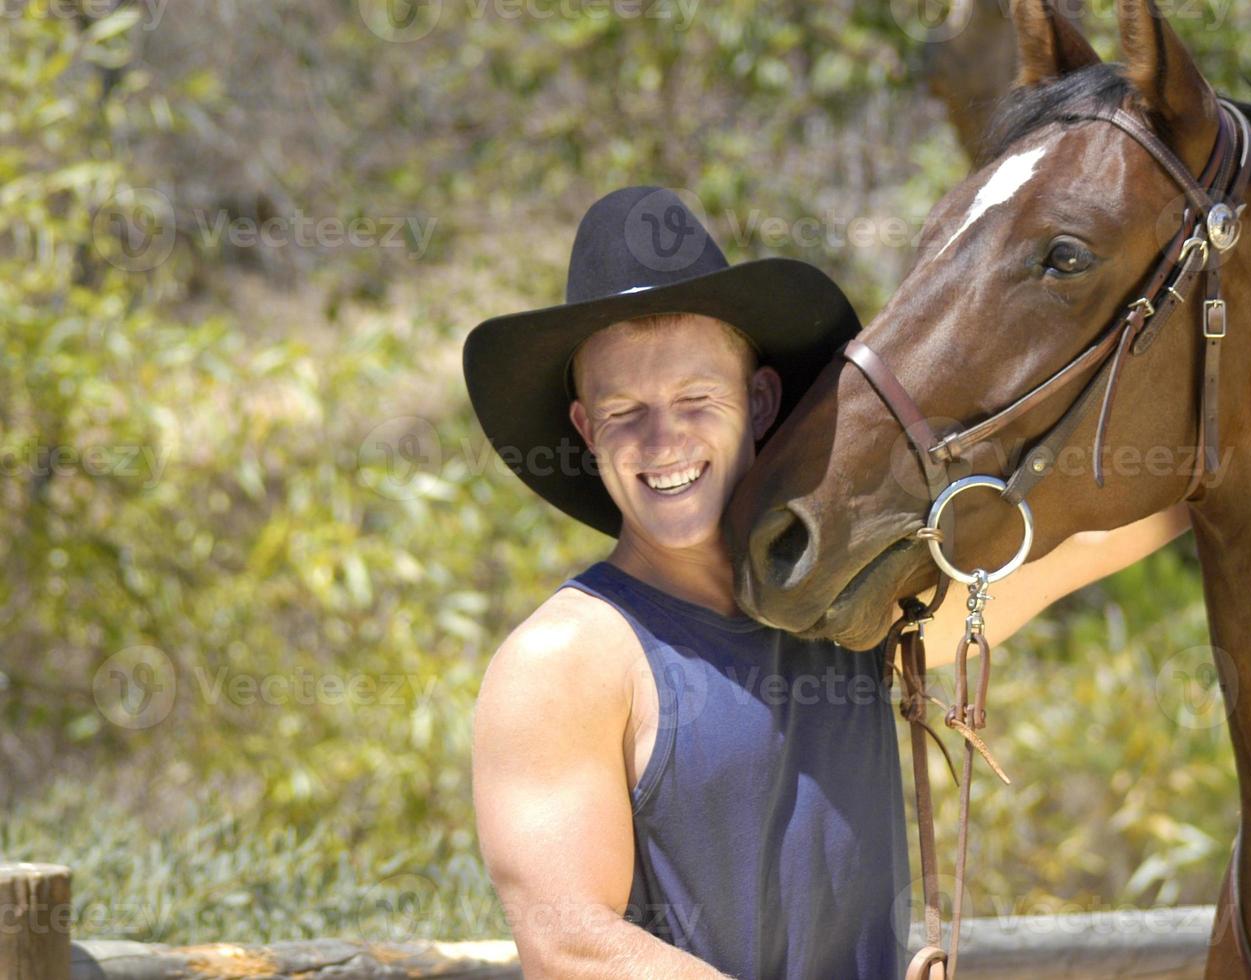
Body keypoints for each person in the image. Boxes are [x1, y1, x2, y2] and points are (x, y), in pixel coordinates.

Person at [462, 186, 1189, 979]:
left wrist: (1232, 481)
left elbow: (1085, 544)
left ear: (761, 400)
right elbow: (572, 947)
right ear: (584, 430)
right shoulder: (565, 661)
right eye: (623, 410)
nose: (661, 440)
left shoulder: (846, 607)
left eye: (695, 399)